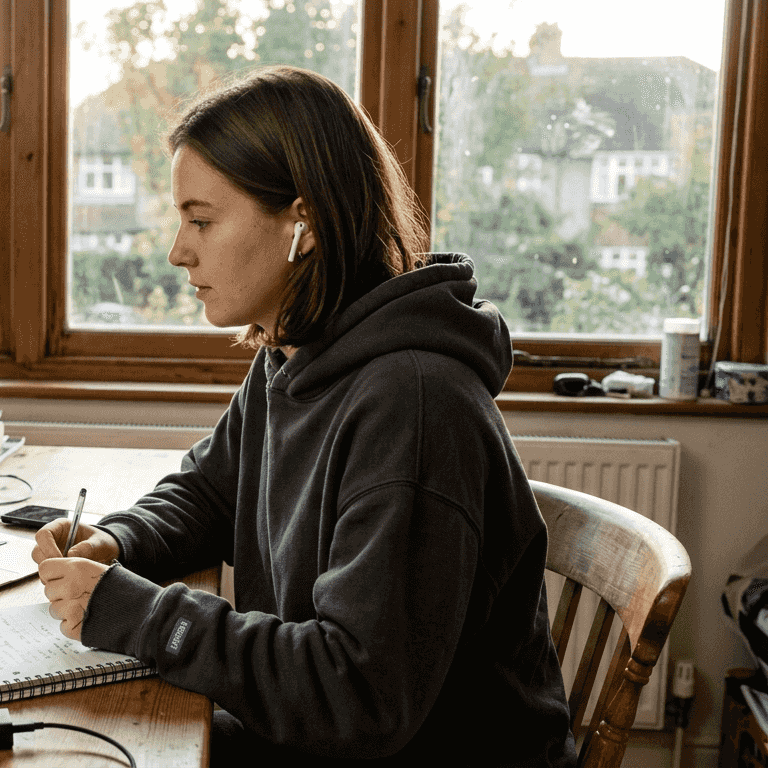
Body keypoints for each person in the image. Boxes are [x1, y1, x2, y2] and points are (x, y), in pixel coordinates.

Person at [32, 66, 578, 766]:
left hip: (384, 742)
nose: (178, 251)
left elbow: (358, 695)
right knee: (72, 740)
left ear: (305, 223)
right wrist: (119, 541)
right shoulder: (292, 350)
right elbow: (208, 490)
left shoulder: (412, 406)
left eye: (201, 220)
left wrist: (139, 614)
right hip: (318, 731)